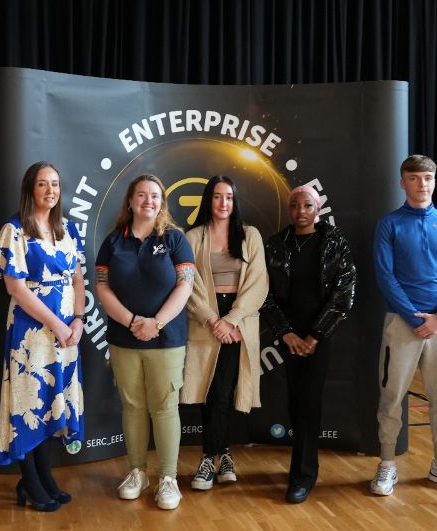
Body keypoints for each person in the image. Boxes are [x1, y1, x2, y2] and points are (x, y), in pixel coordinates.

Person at [369, 154, 437, 497]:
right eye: (414, 178)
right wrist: (413, 315)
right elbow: (385, 276)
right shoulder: (389, 224)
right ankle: (387, 464)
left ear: (434, 181)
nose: (422, 184)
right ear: (403, 182)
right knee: (392, 396)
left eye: (427, 178)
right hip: (402, 323)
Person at [94, 174, 195, 510]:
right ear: (130, 201)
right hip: (125, 338)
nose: (148, 201)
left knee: (164, 407)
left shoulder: (175, 239)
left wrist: (157, 323)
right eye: (141, 195)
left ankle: (168, 479)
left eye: (155, 196)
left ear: (162, 202)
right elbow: (103, 287)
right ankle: (137, 472)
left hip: (166, 339)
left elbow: (184, 285)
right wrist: (133, 321)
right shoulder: (113, 241)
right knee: (134, 407)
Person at [0, 162, 86, 512]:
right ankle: (29, 481)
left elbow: (78, 280)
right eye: (43, 184)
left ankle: (44, 476)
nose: (50, 190)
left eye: (55, 184)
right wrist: (57, 326)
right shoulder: (14, 230)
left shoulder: (68, 230)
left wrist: (77, 320)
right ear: (30, 189)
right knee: (28, 402)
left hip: (66, 334)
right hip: (31, 332)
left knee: (50, 400)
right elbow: (16, 288)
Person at [260, 184, 356, 504]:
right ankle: (302, 466)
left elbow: (343, 294)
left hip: (319, 336)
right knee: (295, 402)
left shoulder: (335, 242)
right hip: (288, 337)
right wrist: (286, 333)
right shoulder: (275, 245)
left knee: (309, 403)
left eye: (307, 205)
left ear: (317, 209)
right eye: (294, 206)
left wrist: (314, 336)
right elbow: (265, 295)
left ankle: (303, 475)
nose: (300, 211)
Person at [180, 176, 269, 490]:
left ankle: (216, 455)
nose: (223, 203)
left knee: (226, 390)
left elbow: (259, 282)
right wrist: (211, 319)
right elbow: (186, 285)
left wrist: (231, 320)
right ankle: (216, 456)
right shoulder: (192, 237)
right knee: (210, 391)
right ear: (208, 200)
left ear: (235, 201)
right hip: (206, 321)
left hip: (239, 321)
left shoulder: (250, 235)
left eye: (228, 197)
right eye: (217, 197)